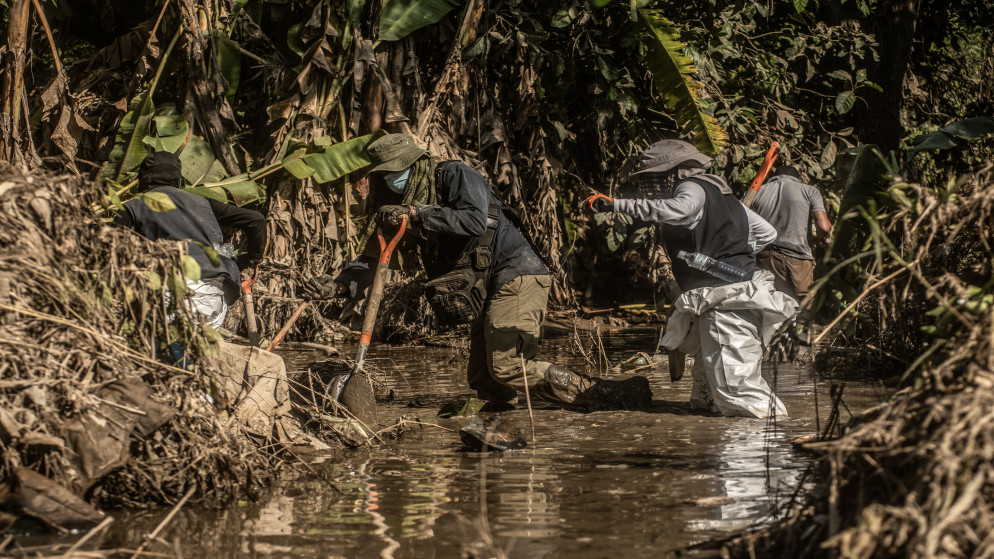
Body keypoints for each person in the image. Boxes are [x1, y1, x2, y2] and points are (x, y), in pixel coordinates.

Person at [304, 133, 650, 411]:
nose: (391, 180)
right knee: (485, 380)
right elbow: (377, 255)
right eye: (385, 174)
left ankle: (607, 395)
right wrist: (338, 285)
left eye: (396, 171)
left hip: (515, 273)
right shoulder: (400, 204)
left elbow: (473, 220)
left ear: (415, 162)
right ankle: (513, 423)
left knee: (508, 366)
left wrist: (419, 213)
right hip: (484, 286)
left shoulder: (453, 175)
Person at [584, 139, 796, 418]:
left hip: (725, 300)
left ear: (675, 172)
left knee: (738, 391)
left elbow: (678, 210)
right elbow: (767, 233)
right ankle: (711, 437)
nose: (651, 185)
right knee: (707, 388)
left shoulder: (690, 188)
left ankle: (768, 440)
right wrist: (735, 254)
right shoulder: (724, 196)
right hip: (734, 290)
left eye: (654, 177)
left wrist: (615, 204)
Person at [115, 151, 267, 330]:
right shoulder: (204, 203)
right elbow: (256, 219)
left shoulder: (133, 207)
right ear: (177, 177)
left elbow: (109, 249)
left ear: (143, 177)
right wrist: (251, 258)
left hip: (167, 295)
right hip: (211, 299)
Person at [746, 165, 833, 300]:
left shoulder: (756, 192)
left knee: (769, 302)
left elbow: (742, 222)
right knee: (803, 305)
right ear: (797, 178)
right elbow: (824, 227)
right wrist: (813, 239)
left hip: (763, 258)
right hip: (797, 258)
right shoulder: (809, 190)